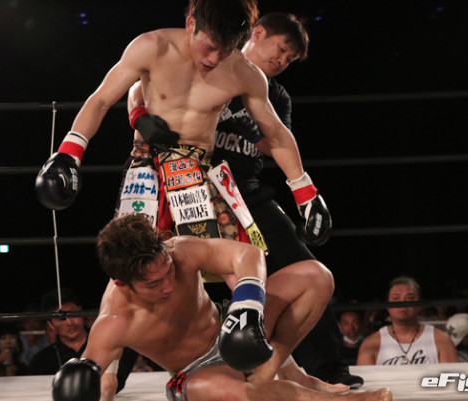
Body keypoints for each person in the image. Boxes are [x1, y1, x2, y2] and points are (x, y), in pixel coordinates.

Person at [122, 11, 358, 387]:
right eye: (281, 49)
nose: (283, 60)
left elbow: (277, 141)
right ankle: (109, 366)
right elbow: (141, 84)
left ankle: (326, 367)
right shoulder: (207, 59)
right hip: (185, 181)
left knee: (295, 258)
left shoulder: (272, 92)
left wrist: (302, 189)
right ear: (258, 33)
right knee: (143, 260)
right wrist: (138, 116)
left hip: (244, 190)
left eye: (290, 58)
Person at [35, 0, 331, 256]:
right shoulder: (153, 46)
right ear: (191, 24)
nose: (214, 59)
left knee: (237, 263)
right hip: (148, 169)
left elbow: (277, 135)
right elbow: (101, 100)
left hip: (198, 175)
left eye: (225, 51)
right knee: (133, 264)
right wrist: (68, 154)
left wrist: (306, 195)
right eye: (210, 46)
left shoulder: (245, 73)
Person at [51, 214, 392, 401]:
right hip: (197, 373)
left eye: (168, 272)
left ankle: (273, 367)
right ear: (123, 284)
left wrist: (247, 307)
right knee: (234, 394)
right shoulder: (115, 321)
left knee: (316, 276)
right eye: (153, 285)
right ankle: (330, 400)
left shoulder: (181, 251)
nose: (168, 286)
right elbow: (93, 378)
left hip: (233, 329)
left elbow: (246, 255)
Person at [356, 276, 458, 365]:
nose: (402, 303)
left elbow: (452, 378)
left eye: (409, 298)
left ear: (420, 305)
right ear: (387, 305)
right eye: (396, 298)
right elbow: (364, 381)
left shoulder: (441, 340)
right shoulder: (371, 344)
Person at [28, 288, 90, 375]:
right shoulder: (42, 360)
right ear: (50, 325)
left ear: (81, 311)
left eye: (72, 313)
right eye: (60, 318)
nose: (70, 323)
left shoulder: (105, 346)